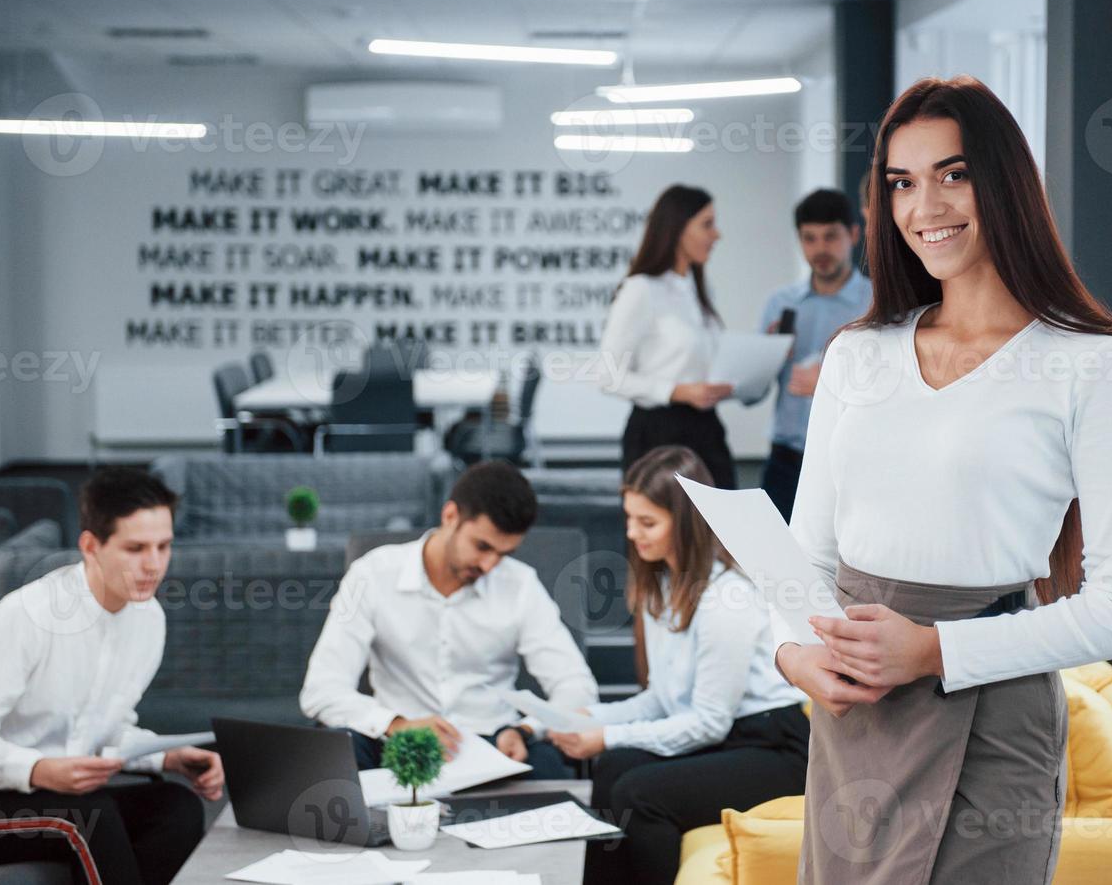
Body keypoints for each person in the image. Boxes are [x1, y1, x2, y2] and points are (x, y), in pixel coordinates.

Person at [774, 75, 1112, 885]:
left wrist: (931, 651)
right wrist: (790, 653)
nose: (925, 207)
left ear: (1004, 183)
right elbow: (803, 559)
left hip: (990, 716)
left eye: (952, 174)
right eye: (901, 183)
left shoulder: (1092, 363)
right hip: (857, 721)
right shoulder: (858, 353)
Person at [0, 467, 224, 885]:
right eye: (135, 548)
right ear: (91, 545)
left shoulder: (147, 619)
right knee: (88, 818)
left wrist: (166, 758)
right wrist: (38, 769)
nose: (153, 565)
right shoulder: (26, 617)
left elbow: (103, 728)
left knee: (176, 807)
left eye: (164, 546)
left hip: (53, 794)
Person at [548, 445, 809, 885]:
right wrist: (590, 719)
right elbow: (662, 699)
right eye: (629, 518)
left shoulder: (728, 598)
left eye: (647, 522)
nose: (632, 533)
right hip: (732, 735)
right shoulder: (661, 586)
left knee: (639, 793)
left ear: (686, 521)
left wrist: (605, 735)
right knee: (614, 766)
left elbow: (707, 722)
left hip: (775, 745)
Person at [299, 461, 597, 778]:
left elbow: (577, 687)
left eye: (503, 554)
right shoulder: (371, 574)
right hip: (397, 740)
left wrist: (525, 730)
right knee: (336, 751)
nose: (489, 565)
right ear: (450, 516)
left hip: (491, 744)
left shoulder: (520, 585)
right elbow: (321, 690)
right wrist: (396, 724)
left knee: (546, 764)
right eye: (482, 546)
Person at [599, 184, 737, 490]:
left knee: (722, 532)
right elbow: (607, 375)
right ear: (677, 228)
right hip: (657, 435)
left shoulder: (699, 289)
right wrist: (676, 391)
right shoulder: (641, 290)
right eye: (707, 224)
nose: (717, 235)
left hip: (707, 429)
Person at [756, 188, 873, 519]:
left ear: (853, 234)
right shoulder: (780, 304)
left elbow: (893, 386)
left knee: (843, 567)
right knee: (775, 566)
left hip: (851, 462)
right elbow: (752, 395)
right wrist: (766, 359)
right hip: (786, 461)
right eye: (809, 239)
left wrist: (830, 383)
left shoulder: (878, 303)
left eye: (830, 237)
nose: (820, 249)